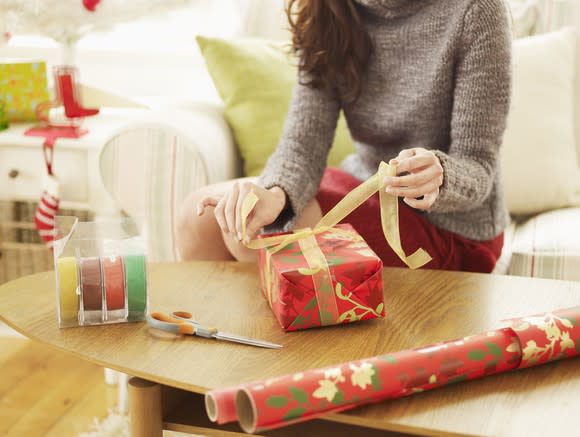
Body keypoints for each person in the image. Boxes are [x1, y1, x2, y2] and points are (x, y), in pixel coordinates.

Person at [177, 0, 512, 273]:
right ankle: (230, 349)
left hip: (452, 226)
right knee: (207, 216)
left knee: (259, 237)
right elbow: (301, 146)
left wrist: (441, 177)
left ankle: (296, 352)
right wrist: (274, 195)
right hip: (364, 187)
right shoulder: (330, 9)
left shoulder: (476, 10)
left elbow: (478, 167)